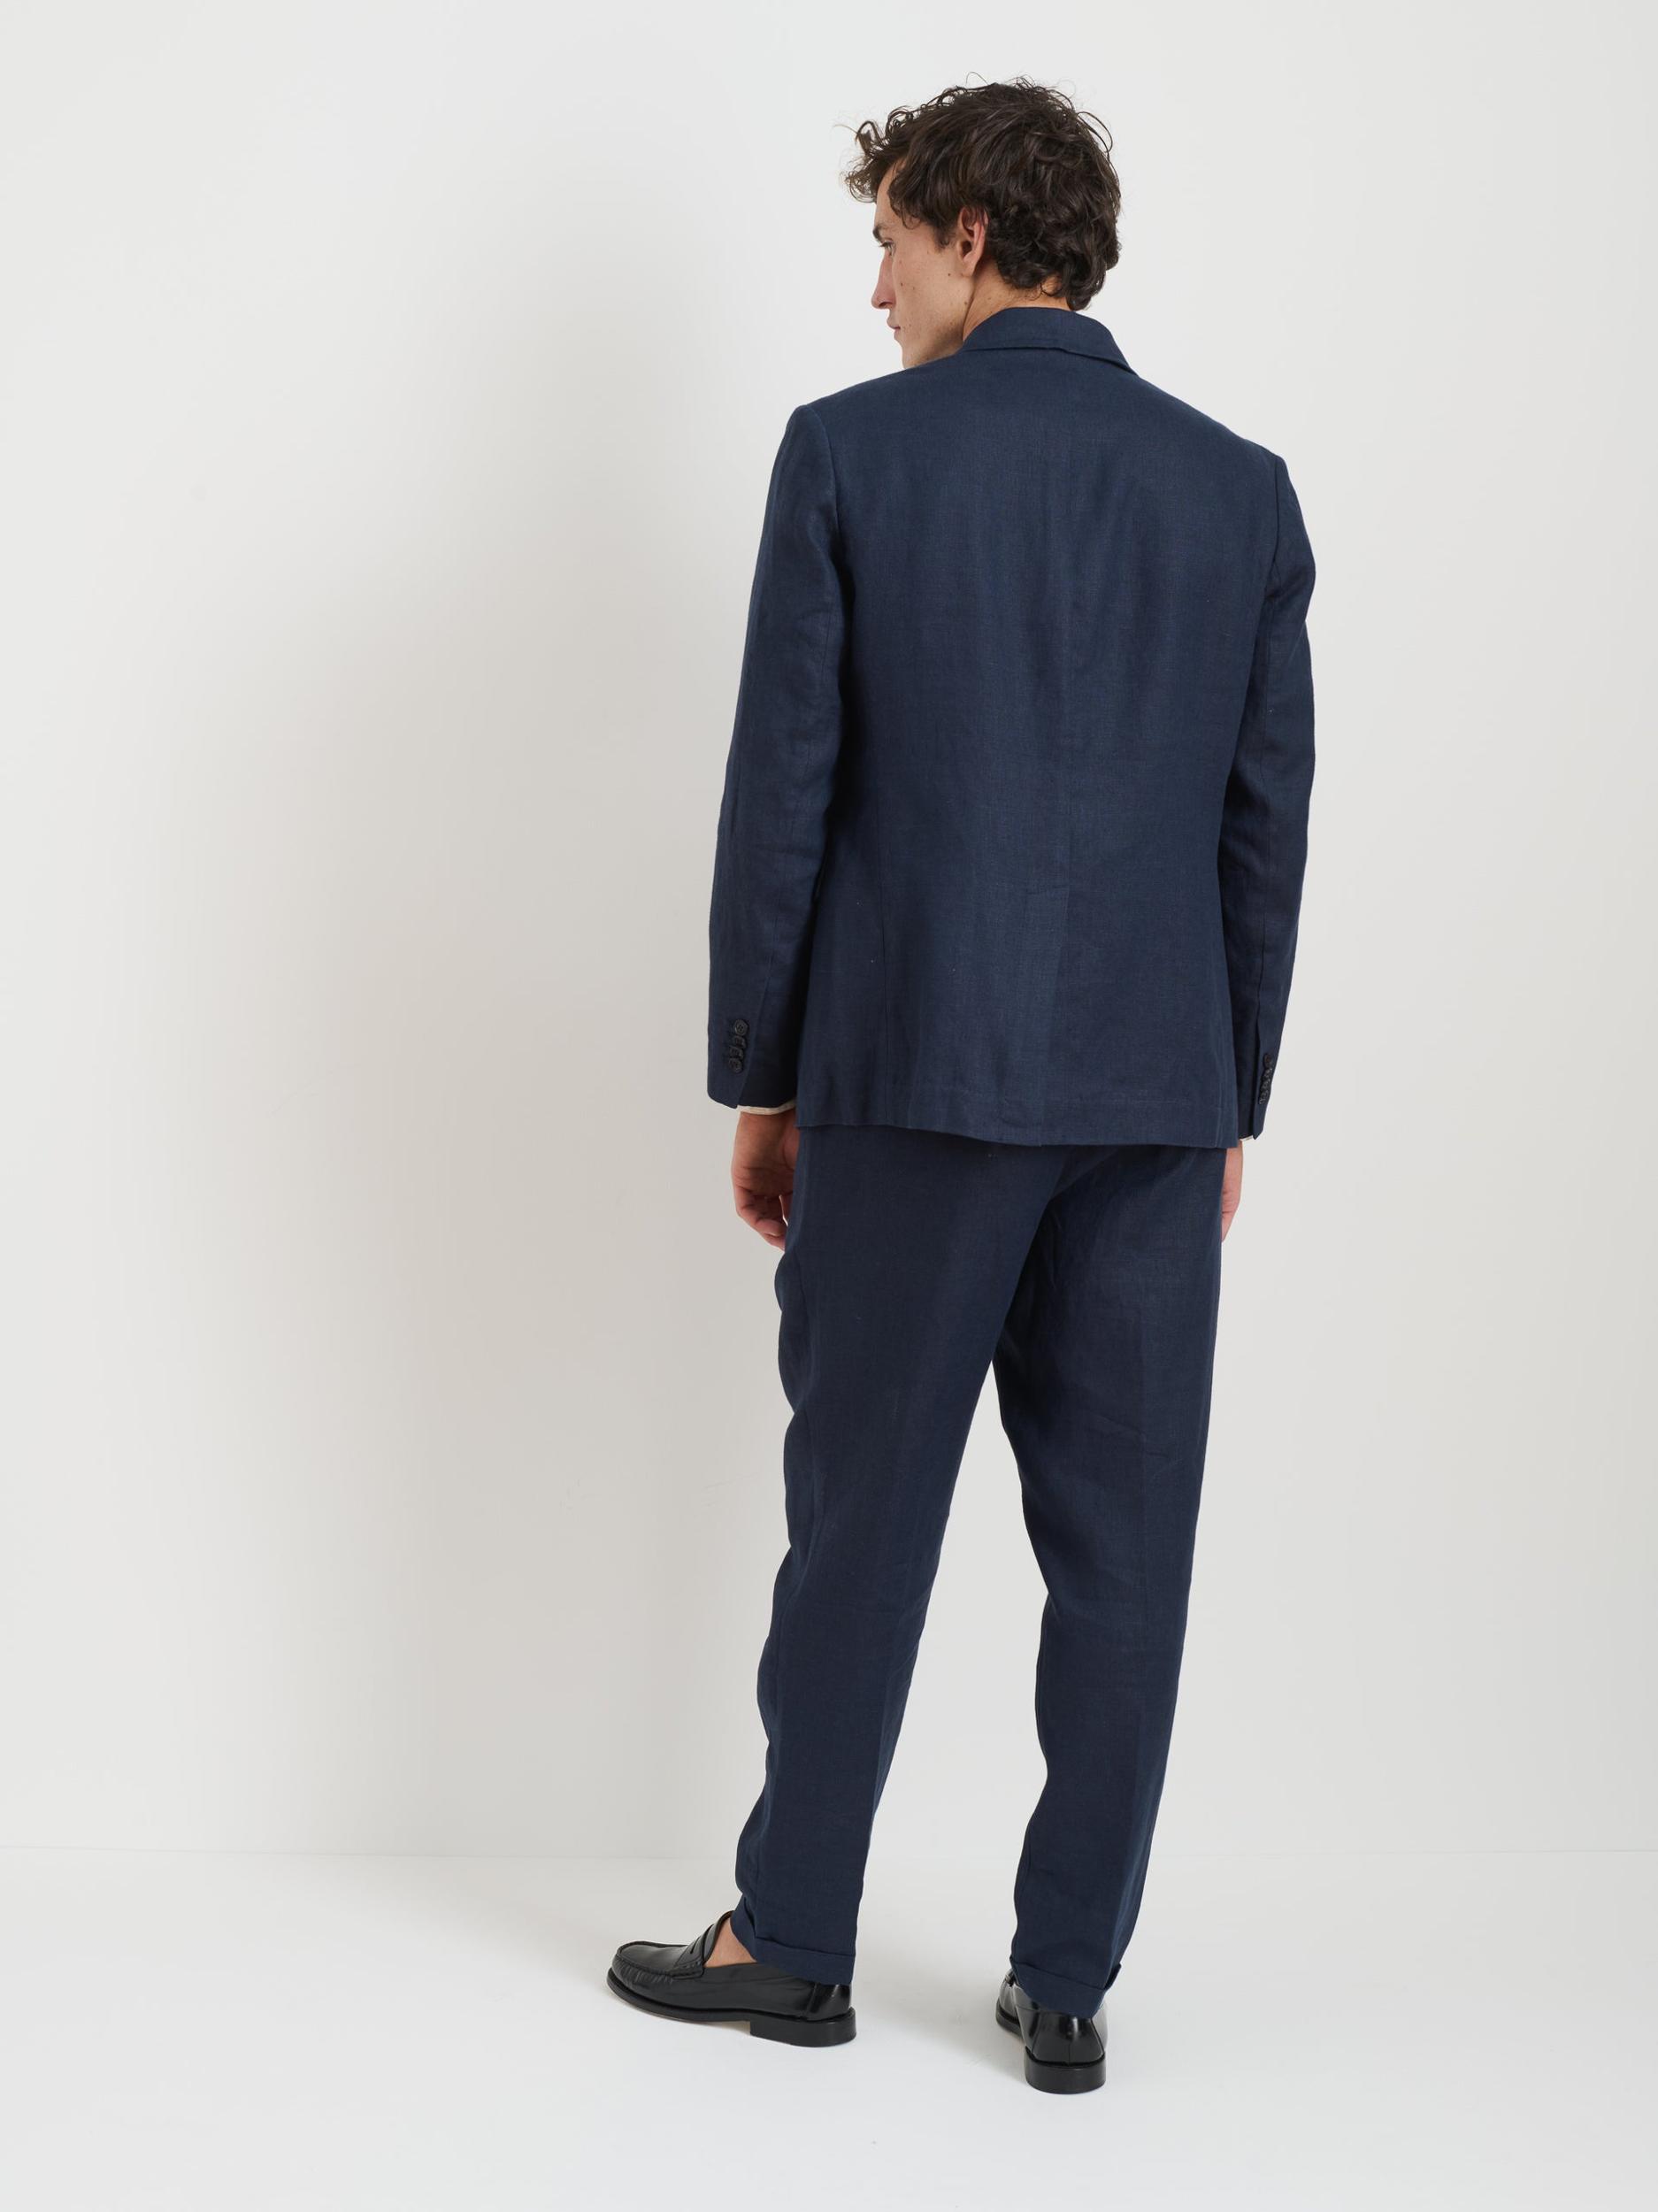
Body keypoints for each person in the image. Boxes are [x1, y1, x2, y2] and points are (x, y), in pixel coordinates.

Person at [607, 77, 1316, 2094]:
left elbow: (784, 801)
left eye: (891, 242)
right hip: (1153, 1098)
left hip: (911, 1075)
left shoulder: (850, 454)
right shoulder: (1239, 490)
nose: (876, 288)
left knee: (860, 1524)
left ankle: (791, 1942)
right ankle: (1068, 1981)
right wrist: (1226, 1099)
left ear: (974, 235)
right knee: (1127, 1551)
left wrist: (764, 1080)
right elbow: (1261, 828)